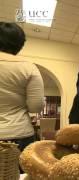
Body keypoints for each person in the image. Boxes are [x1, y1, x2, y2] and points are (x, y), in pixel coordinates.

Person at [0, 22, 44, 151]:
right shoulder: (28, 67)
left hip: (19, 134)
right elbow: (35, 106)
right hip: (19, 133)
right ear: (20, 44)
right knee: (19, 171)